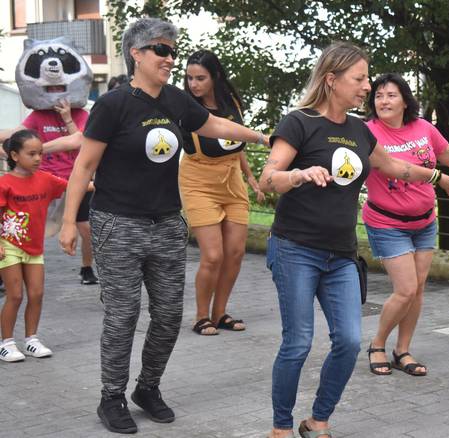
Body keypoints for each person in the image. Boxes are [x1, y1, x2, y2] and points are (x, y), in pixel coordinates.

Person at [58, 17, 268, 434]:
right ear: (136, 54)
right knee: (122, 316)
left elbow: (214, 126)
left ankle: (147, 388)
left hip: (167, 223)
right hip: (118, 223)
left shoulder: (175, 100)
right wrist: (68, 222)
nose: (170, 58)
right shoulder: (114, 104)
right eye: (161, 50)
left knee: (170, 314)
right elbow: (84, 165)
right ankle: (111, 396)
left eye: (172, 50)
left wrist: (265, 137)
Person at [259, 42, 449, 438]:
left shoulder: (358, 131)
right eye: (360, 79)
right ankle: (281, 427)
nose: (368, 86)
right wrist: (298, 176)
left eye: (367, 78)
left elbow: (397, 167)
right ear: (332, 80)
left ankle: (318, 419)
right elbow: (268, 180)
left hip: (340, 255)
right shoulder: (298, 122)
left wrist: (440, 177)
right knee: (299, 342)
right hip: (295, 249)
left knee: (349, 341)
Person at [363, 73, 449, 377]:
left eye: (391, 95)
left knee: (418, 289)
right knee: (406, 289)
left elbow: (447, 153)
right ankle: (377, 344)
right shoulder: (367, 133)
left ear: (405, 100)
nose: (383, 100)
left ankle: (402, 350)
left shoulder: (423, 128)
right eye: (379, 95)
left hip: (424, 221)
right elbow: (401, 169)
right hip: (386, 222)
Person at [182, 49, 264, 336]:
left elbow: (235, 143)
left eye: (200, 78)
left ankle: (220, 313)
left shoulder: (233, 103)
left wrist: (251, 177)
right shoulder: (184, 108)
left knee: (235, 252)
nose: (194, 84)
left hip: (232, 181)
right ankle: (201, 315)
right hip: (198, 181)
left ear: (215, 77)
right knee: (213, 255)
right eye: (190, 78)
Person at [0, 100, 99, 285]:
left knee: (86, 227)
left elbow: (80, 141)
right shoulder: (38, 115)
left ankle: (87, 268)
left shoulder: (81, 114)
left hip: (74, 177)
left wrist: (67, 118)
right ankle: (7, 267)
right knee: (20, 223)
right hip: (44, 177)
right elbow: (16, 135)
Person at [0, 130, 70, 362]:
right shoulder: (5, 183)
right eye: (32, 153)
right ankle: (7, 343)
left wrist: (108, 184)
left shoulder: (46, 180)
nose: (38, 158)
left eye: (40, 153)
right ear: (14, 155)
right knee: (15, 295)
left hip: (34, 248)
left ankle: (31, 340)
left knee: (37, 294)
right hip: (8, 246)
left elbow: (76, 186)